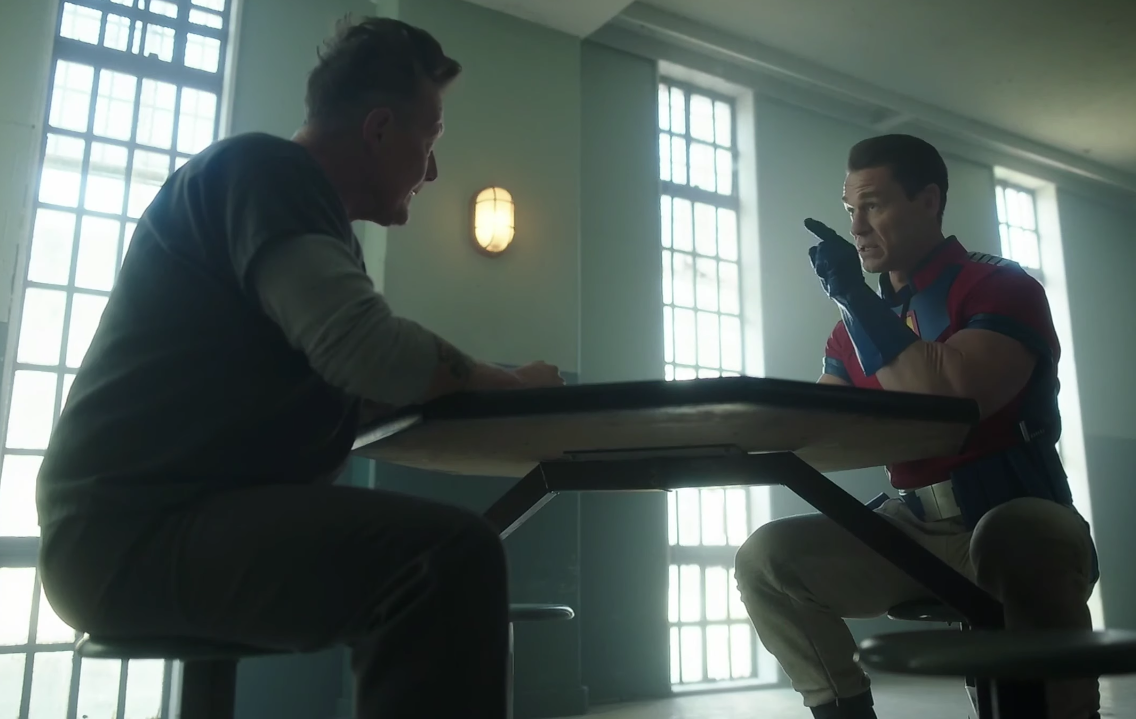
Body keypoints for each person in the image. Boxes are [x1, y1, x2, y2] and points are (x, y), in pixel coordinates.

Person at [35, 17, 563, 719]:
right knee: (446, 559)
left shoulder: (302, 214)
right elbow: (369, 352)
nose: (433, 171)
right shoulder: (270, 174)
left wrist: (466, 384)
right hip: (130, 534)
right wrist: (516, 385)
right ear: (380, 130)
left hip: (135, 530)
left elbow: (355, 376)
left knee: (449, 558)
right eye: (430, 140)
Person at [734, 134, 1099, 719]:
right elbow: (819, 428)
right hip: (913, 527)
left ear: (928, 201)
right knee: (767, 560)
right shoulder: (848, 331)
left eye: (873, 205)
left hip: (1016, 508)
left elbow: (950, 398)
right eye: (850, 209)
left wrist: (856, 301)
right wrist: (730, 424)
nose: (856, 228)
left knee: (1014, 536)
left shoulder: (1000, 286)